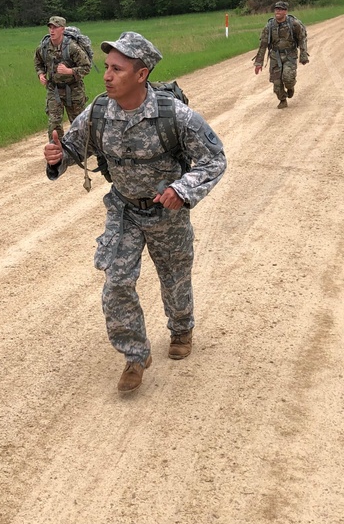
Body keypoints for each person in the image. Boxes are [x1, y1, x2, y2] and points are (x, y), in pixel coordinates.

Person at [43, 32, 226, 394]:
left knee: (174, 277)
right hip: (124, 210)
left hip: (167, 213)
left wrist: (182, 190)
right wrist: (58, 156)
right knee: (117, 282)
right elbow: (74, 147)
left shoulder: (176, 116)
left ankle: (181, 328)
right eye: (107, 68)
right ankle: (134, 354)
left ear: (141, 75)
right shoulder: (97, 111)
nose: (107, 75)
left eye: (117, 69)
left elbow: (214, 159)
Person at [35, 15, 92, 139]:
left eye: (55, 27)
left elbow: (86, 67)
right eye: (50, 27)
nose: (52, 30)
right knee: (54, 124)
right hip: (54, 89)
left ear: (63, 29)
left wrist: (69, 71)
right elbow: (38, 63)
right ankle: (57, 153)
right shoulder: (43, 47)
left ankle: (85, 151)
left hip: (74, 89)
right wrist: (40, 74)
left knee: (79, 124)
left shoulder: (72, 48)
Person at [252, 1, 310, 109]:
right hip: (275, 56)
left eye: (280, 9)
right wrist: (259, 62)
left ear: (285, 11)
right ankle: (282, 100)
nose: (277, 11)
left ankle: (290, 87)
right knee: (277, 82)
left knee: (288, 78)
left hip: (290, 55)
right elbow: (263, 44)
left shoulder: (294, 24)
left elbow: (302, 39)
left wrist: (303, 55)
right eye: (276, 9)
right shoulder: (269, 26)